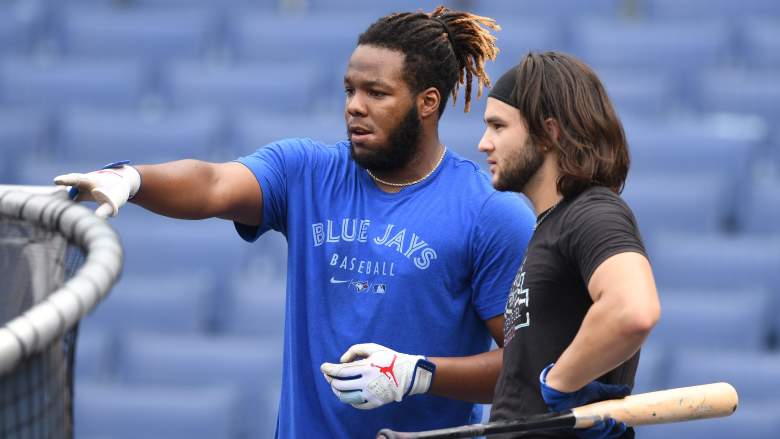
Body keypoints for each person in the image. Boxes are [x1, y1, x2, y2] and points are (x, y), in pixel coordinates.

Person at [54, 7, 536, 438]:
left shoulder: (489, 212)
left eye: (376, 92)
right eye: (350, 89)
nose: (354, 106)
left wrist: (418, 374)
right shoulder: (306, 172)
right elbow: (212, 184)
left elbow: (525, 366)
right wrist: (133, 178)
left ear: (427, 102)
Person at [478, 52, 661, 439]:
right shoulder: (551, 226)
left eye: (497, 127)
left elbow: (633, 310)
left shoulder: (593, 212)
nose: (483, 143)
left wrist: (560, 385)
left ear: (549, 133)